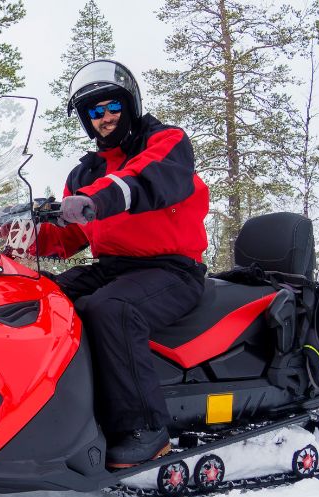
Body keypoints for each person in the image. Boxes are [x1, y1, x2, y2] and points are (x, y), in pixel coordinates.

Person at [36, 59, 210, 468]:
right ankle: (54, 414)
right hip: (113, 266)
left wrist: (96, 200)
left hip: (171, 269)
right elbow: (67, 235)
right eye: (94, 112)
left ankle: (146, 429)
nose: (105, 118)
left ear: (129, 104)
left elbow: (142, 181)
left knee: (111, 308)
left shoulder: (165, 143)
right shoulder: (85, 172)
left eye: (112, 107)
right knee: (42, 297)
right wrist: (17, 231)